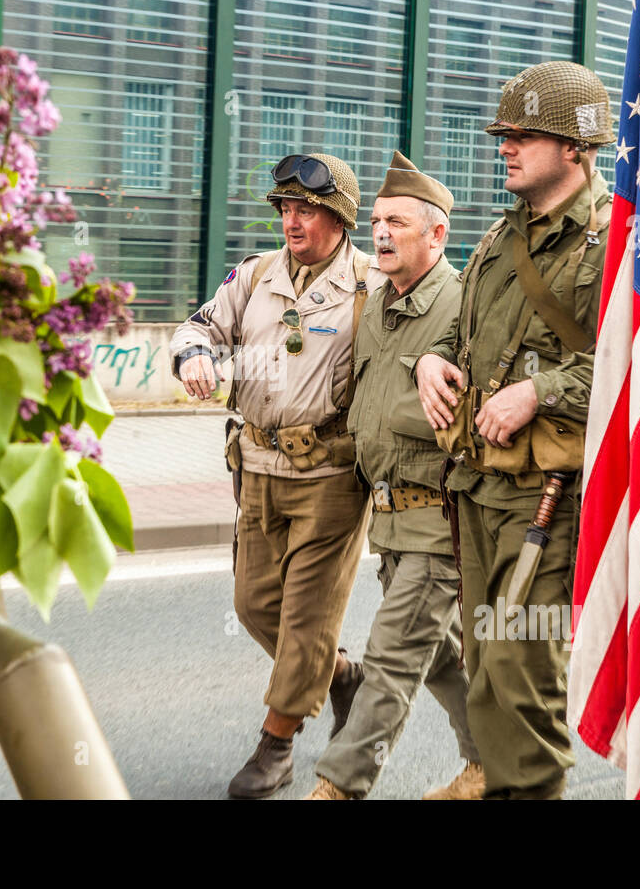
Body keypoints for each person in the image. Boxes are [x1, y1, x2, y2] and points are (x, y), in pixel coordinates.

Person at [413, 61, 614, 799]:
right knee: (486, 674)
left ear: (574, 146)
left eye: (525, 134)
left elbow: (638, 375)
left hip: (547, 500)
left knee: (521, 674)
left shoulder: (610, 239)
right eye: (505, 133)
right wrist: (432, 364)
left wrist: (543, 391)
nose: (507, 145)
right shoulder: (501, 238)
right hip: (479, 486)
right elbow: (467, 341)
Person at [170, 153, 381, 799]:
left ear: (339, 217)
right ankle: (342, 676)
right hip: (257, 467)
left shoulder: (372, 284)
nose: (292, 220)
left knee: (308, 620)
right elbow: (199, 325)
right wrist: (194, 357)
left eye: (307, 210)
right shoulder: (258, 274)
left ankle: (278, 743)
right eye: (286, 209)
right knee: (254, 604)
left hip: (331, 477)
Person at [304, 152, 482, 800]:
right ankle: (494, 762)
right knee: (439, 654)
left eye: (398, 222)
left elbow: (475, 411)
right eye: (376, 221)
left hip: (441, 522)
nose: (380, 232)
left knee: (390, 661)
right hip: (389, 521)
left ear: (436, 235)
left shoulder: (464, 307)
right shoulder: (377, 305)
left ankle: (339, 787)